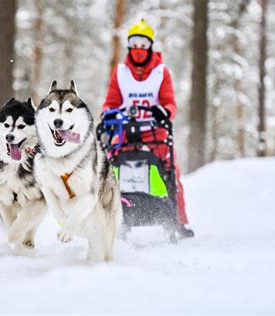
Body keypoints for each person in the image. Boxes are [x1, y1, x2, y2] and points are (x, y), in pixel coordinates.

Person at [102, 18, 194, 238]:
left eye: (143, 45)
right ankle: (107, 215)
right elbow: (110, 102)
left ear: (150, 46)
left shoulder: (162, 72)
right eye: (135, 44)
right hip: (125, 131)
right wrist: (108, 115)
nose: (139, 49)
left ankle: (178, 219)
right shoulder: (121, 72)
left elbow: (169, 103)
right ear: (129, 46)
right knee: (106, 168)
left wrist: (164, 112)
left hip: (155, 132)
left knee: (171, 171)